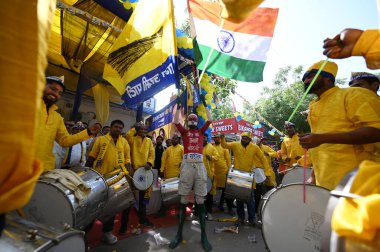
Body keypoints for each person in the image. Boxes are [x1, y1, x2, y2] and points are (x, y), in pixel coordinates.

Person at [299, 60, 380, 190]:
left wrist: (322, 138)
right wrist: (313, 177)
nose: (306, 80)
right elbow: (322, 149)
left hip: (357, 183)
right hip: (325, 184)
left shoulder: (353, 94)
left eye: (311, 76)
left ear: (328, 78)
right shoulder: (313, 106)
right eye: (304, 78)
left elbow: (375, 132)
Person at [169, 97, 213, 251]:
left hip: (199, 165)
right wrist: (179, 106)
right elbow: (175, 122)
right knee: (183, 198)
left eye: (195, 119)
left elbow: (210, 119)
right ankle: (179, 234)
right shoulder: (184, 132)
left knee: (200, 199)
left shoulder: (202, 131)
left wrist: (206, 105)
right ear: (188, 122)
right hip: (187, 165)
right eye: (191, 119)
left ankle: (203, 236)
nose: (193, 121)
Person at [35, 76, 99, 173]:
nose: (56, 94)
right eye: (53, 89)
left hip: (44, 170)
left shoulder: (57, 117)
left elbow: (65, 141)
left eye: (59, 93)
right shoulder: (25, 105)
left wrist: (88, 132)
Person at [86, 120, 131, 245]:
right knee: (93, 206)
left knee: (111, 207)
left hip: (116, 180)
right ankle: (83, 234)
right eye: (116, 127)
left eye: (120, 128)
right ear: (111, 127)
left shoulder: (124, 142)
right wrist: (86, 175)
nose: (118, 129)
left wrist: (128, 171)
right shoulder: (101, 140)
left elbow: (127, 159)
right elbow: (92, 156)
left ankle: (107, 233)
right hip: (99, 179)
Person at [221, 132, 272, 226]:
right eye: (243, 138)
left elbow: (262, 158)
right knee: (239, 198)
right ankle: (241, 218)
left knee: (250, 199)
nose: (244, 140)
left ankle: (252, 219)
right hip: (237, 175)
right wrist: (222, 137)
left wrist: (267, 172)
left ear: (250, 140)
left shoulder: (255, 147)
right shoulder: (235, 144)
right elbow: (225, 145)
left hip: (249, 176)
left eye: (246, 139)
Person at [121, 122, 155, 230]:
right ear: (137, 130)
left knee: (143, 197)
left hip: (144, 172)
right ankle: (123, 225)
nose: (143, 131)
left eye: (145, 130)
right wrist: (134, 128)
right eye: (140, 129)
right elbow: (127, 136)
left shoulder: (149, 141)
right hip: (132, 172)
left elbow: (151, 154)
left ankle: (143, 219)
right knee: (129, 198)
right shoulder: (132, 139)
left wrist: (149, 163)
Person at [156, 135, 184, 217]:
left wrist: (182, 172)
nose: (174, 140)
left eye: (175, 138)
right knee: (166, 193)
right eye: (173, 138)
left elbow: (184, 160)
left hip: (178, 175)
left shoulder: (182, 148)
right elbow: (163, 160)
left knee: (180, 194)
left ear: (178, 140)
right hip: (168, 174)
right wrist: (161, 171)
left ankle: (180, 212)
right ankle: (163, 211)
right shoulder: (168, 149)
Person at [212, 134, 233, 215]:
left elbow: (228, 160)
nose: (216, 139)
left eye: (218, 137)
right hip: (213, 172)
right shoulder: (211, 147)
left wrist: (229, 170)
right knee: (213, 189)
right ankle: (215, 205)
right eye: (215, 138)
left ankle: (228, 207)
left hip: (223, 171)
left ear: (220, 139)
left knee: (225, 190)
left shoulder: (224, 147)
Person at [202, 134, 219, 220]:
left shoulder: (211, 147)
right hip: (199, 174)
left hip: (209, 175)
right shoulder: (197, 147)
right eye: (202, 137)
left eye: (204, 138)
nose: (203, 139)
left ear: (207, 138)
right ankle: (198, 211)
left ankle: (208, 212)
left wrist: (211, 157)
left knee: (209, 195)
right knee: (199, 194)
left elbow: (217, 157)